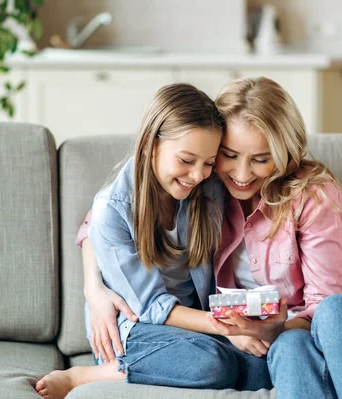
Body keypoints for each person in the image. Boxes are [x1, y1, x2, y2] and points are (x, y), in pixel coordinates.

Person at [76, 77, 342, 399]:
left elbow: (324, 304)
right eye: (228, 156)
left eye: (261, 159)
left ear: (282, 154)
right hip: (295, 338)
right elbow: (104, 216)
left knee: (332, 314)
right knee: (288, 349)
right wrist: (95, 289)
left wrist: (276, 328)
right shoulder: (208, 188)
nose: (242, 174)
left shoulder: (309, 197)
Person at [35, 83, 273, 399]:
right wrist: (226, 329)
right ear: (151, 144)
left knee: (261, 368)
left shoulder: (207, 189)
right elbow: (151, 307)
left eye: (208, 162)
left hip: (194, 324)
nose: (198, 174)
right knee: (212, 366)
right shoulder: (115, 208)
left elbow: (88, 227)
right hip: (136, 330)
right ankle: (87, 376)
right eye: (186, 160)